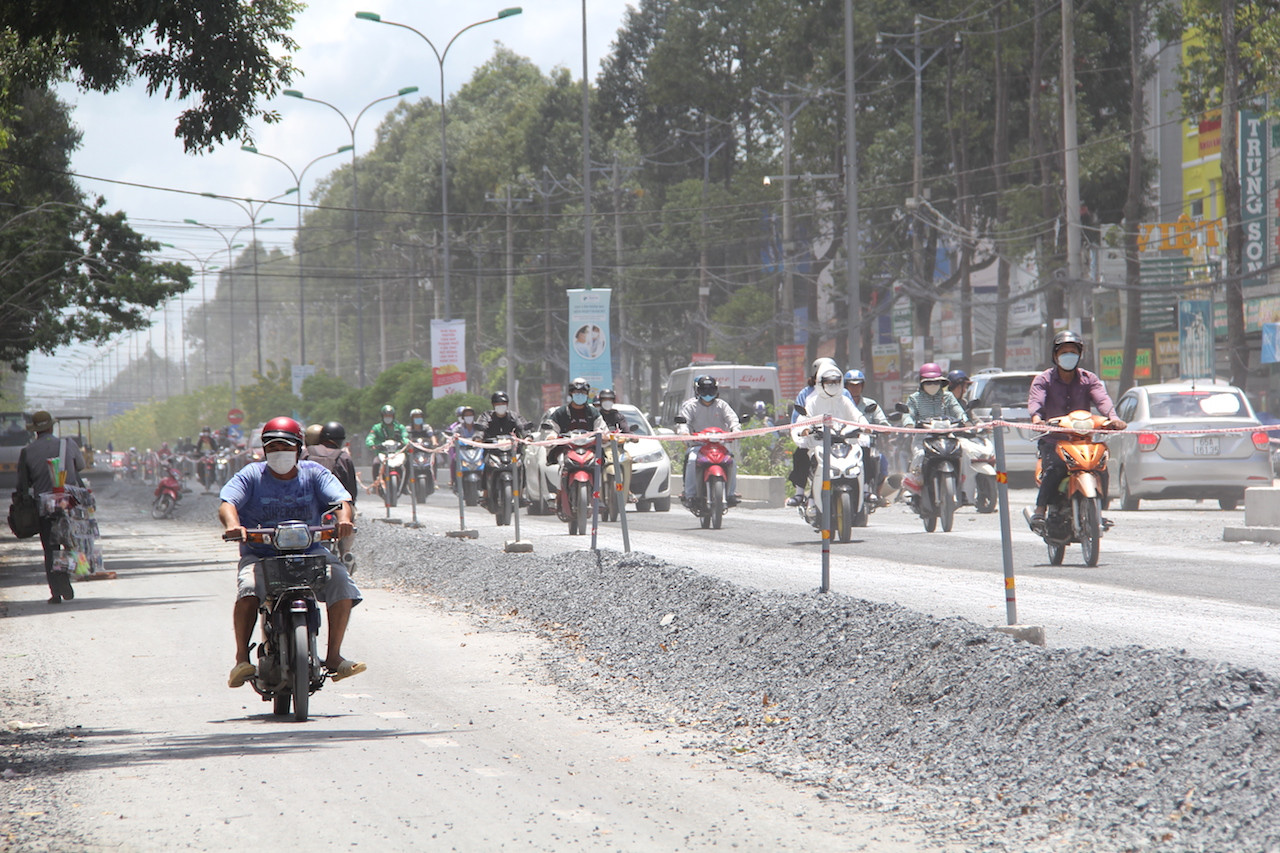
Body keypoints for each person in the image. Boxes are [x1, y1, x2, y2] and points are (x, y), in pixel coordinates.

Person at [219, 416, 365, 688]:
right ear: (264, 450)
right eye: (272, 448)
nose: (279, 454)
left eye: (285, 448)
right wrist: (234, 525)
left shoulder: (315, 473)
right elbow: (228, 503)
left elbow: (341, 500)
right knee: (249, 588)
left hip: (310, 552)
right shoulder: (251, 475)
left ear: (299, 448)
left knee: (342, 582)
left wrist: (344, 520)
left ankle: (333, 657)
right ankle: (241, 659)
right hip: (261, 555)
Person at [1027, 330, 1126, 530]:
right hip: (1054, 440)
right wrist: (1037, 418)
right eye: (1064, 351)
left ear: (1080, 355)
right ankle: (1040, 510)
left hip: (1083, 441)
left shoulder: (1089, 379)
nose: (1068, 355)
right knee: (1055, 469)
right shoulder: (1043, 379)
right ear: (1055, 356)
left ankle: (1098, 511)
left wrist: (1113, 419)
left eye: (1073, 351)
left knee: (1101, 468)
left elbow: (1102, 400)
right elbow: (1036, 401)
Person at [17, 410, 85, 604]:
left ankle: (56, 590)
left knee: (50, 548)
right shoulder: (68, 444)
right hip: (69, 503)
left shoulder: (27, 451)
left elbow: (23, 483)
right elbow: (79, 466)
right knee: (71, 543)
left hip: (44, 506)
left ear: (36, 431)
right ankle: (68, 575)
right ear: (51, 427)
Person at [789, 367, 867, 506]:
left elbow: (858, 417)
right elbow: (803, 419)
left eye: (836, 382)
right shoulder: (812, 401)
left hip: (844, 442)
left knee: (866, 453)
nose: (832, 385)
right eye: (828, 382)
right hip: (819, 443)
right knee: (803, 457)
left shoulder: (844, 400)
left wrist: (866, 427)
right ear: (820, 382)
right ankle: (809, 496)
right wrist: (804, 429)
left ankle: (865, 491)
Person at [902, 363, 971, 499]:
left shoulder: (948, 397)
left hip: (947, 435)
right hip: (923, 437)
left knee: (965, 452)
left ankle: (961, 485)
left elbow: (958, 410)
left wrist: (965, 420)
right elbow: (908, 414)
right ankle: (915, 484)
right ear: (922, 382)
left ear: (941, 382)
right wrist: (909, 424)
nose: (932, 385)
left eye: (936, 382)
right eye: (928, 382)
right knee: (920, 455)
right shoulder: (914, 399)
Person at [676, 375, 741, 507]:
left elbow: (733, 419)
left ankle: (731, 494)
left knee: (731, 460)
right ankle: (690, 495)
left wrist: (736, 430)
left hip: (720, 445)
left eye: (710, 390)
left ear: (716, 391)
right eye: (704, 390)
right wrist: (684, 433)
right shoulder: (690, 407)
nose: (707, 393)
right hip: (698, 445)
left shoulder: (722, 405)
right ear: (698, 391)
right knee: (692, 460)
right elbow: (684, 423)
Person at [302, 420, 359, 570]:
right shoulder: (344, 457)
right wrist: (351, 504)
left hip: (309, 503)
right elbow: (351, 491)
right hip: (336, 505)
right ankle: (346, 552)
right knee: (352, 518)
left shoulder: (306, 453)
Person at [844, 369, 892, 501]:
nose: (855, 388)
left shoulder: (871, 405)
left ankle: (873, 492)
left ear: (862, 386)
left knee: (879, 459)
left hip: (865, 445)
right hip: (842, 445)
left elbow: (883, 423)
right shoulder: (840, 404)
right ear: (845, 386)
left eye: (858, 385)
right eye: (851, 385)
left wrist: (883, 428)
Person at [593, 388, 637, 502]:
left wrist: (632, 437)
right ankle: (592, 490)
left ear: (613, 401)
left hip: (617, 450)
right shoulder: (596, 416)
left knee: (629, 459)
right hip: (600, 450)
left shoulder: (618, 416)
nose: (607, 402)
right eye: (605, 400)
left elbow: (626, 431)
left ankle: (627, 490)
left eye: (610, 399)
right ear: (601, 401)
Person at [546, 378, 599, 465]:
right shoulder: (560, 412)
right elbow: (552, 429)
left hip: (590, 448)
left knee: (603, 460)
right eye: (577, 392)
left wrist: (605, 436)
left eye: (583, 392)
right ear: (571, 393)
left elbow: (602, 429)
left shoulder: (593, 412)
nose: (580, 395)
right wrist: (552, 435)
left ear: (587, 394)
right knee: (552, 459)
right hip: (565, 448)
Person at [365, 404, 409, 484]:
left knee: (408, 463)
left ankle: (405, 485)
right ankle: (376, 485)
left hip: (398, 453)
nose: (388, 417)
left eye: (390, 415)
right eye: (386, 415)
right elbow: (370, 437)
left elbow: (405, 436)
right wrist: (371, 444)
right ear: (382, 416)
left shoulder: (400, 427)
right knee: (376, 463)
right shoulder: (377, 428)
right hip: (382, 453)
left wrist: (406, 443)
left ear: (393, 416)